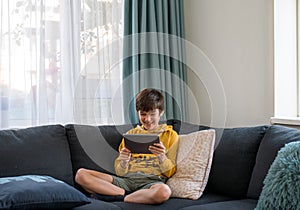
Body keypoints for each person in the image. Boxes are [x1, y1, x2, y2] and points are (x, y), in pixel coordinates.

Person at [75, 88, 179, 204]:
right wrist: (123, 161)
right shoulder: (130, 135)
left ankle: (118, 196)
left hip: (152, 182)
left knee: (164, 192)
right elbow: (120, 172)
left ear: (161, 112)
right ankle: (128, 195)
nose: (147, 119)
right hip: (126, 181)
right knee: (81, 174)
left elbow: (171, 172)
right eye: (143, 114)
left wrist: (162, 157)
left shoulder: (170, 135)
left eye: (152, 114)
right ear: (138, 113)